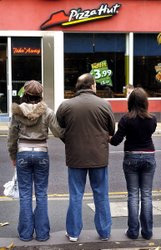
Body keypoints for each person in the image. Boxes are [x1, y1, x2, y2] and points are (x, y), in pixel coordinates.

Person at [56, 73, 115, 242]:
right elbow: (111, 130)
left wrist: (68, 140)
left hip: (75, 158)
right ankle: (104, 233)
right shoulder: (104, 105)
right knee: (101, 194)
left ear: (78, 87)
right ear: (93, 86)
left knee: (75, 195)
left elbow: (60, 127)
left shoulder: (66, 106)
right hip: (99, 157)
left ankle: (73, 233)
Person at [7, 80, 64, 242]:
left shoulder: (17, 113)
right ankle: (42, 234)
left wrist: (13, 156)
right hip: (41, 153)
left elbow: (11, 138)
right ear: (40, 95)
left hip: (23, 154)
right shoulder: (47, 111)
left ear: (25, 93)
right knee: (41, 194)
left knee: (25, 195)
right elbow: (59, 132)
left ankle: (25, 234)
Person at [110, 87, 157, 240]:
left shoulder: (125, 119)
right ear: (145, 102)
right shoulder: (152, 119)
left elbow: (116, 141)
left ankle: (133, 231)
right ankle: (148, 231)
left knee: (132, 195)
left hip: (131, 157)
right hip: (149, 157)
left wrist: (107, 137)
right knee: (147, 195)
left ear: (130, 102)